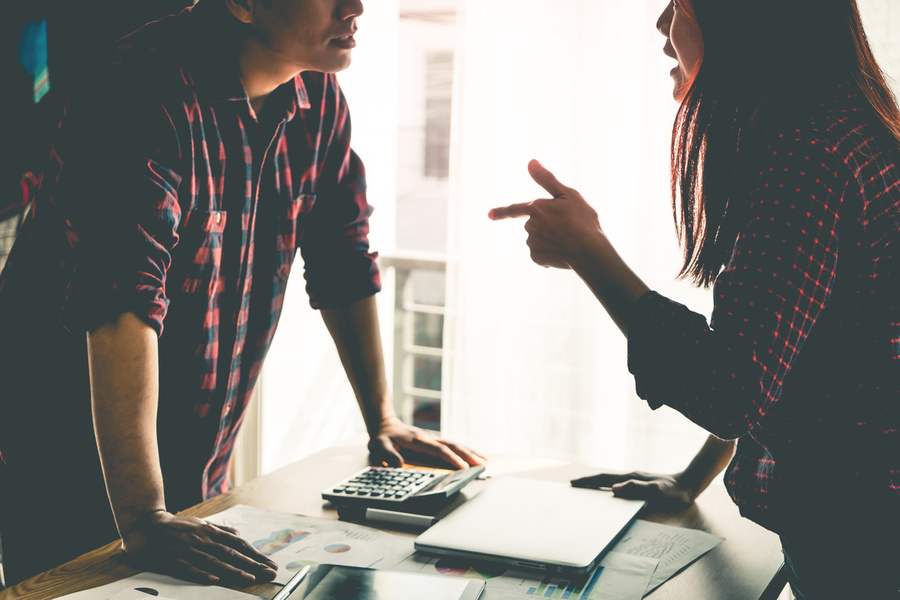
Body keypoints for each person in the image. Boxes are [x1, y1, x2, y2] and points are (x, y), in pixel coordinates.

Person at [0, 0, 484, 587]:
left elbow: (343, 257)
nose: (356, 6)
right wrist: (144, 513)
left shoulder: (319, 100)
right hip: (64, 456)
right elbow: (122, 296)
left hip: (197, 457)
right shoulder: (137, 88)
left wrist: (382, 419)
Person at [490, 1, 899, 598]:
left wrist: (589, 253)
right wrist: (691, 479)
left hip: (860, 541)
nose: (662, 24)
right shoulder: (845, 126)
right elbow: (783, 355)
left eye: (679, 4)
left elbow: (732, 386)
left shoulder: (806, 154)